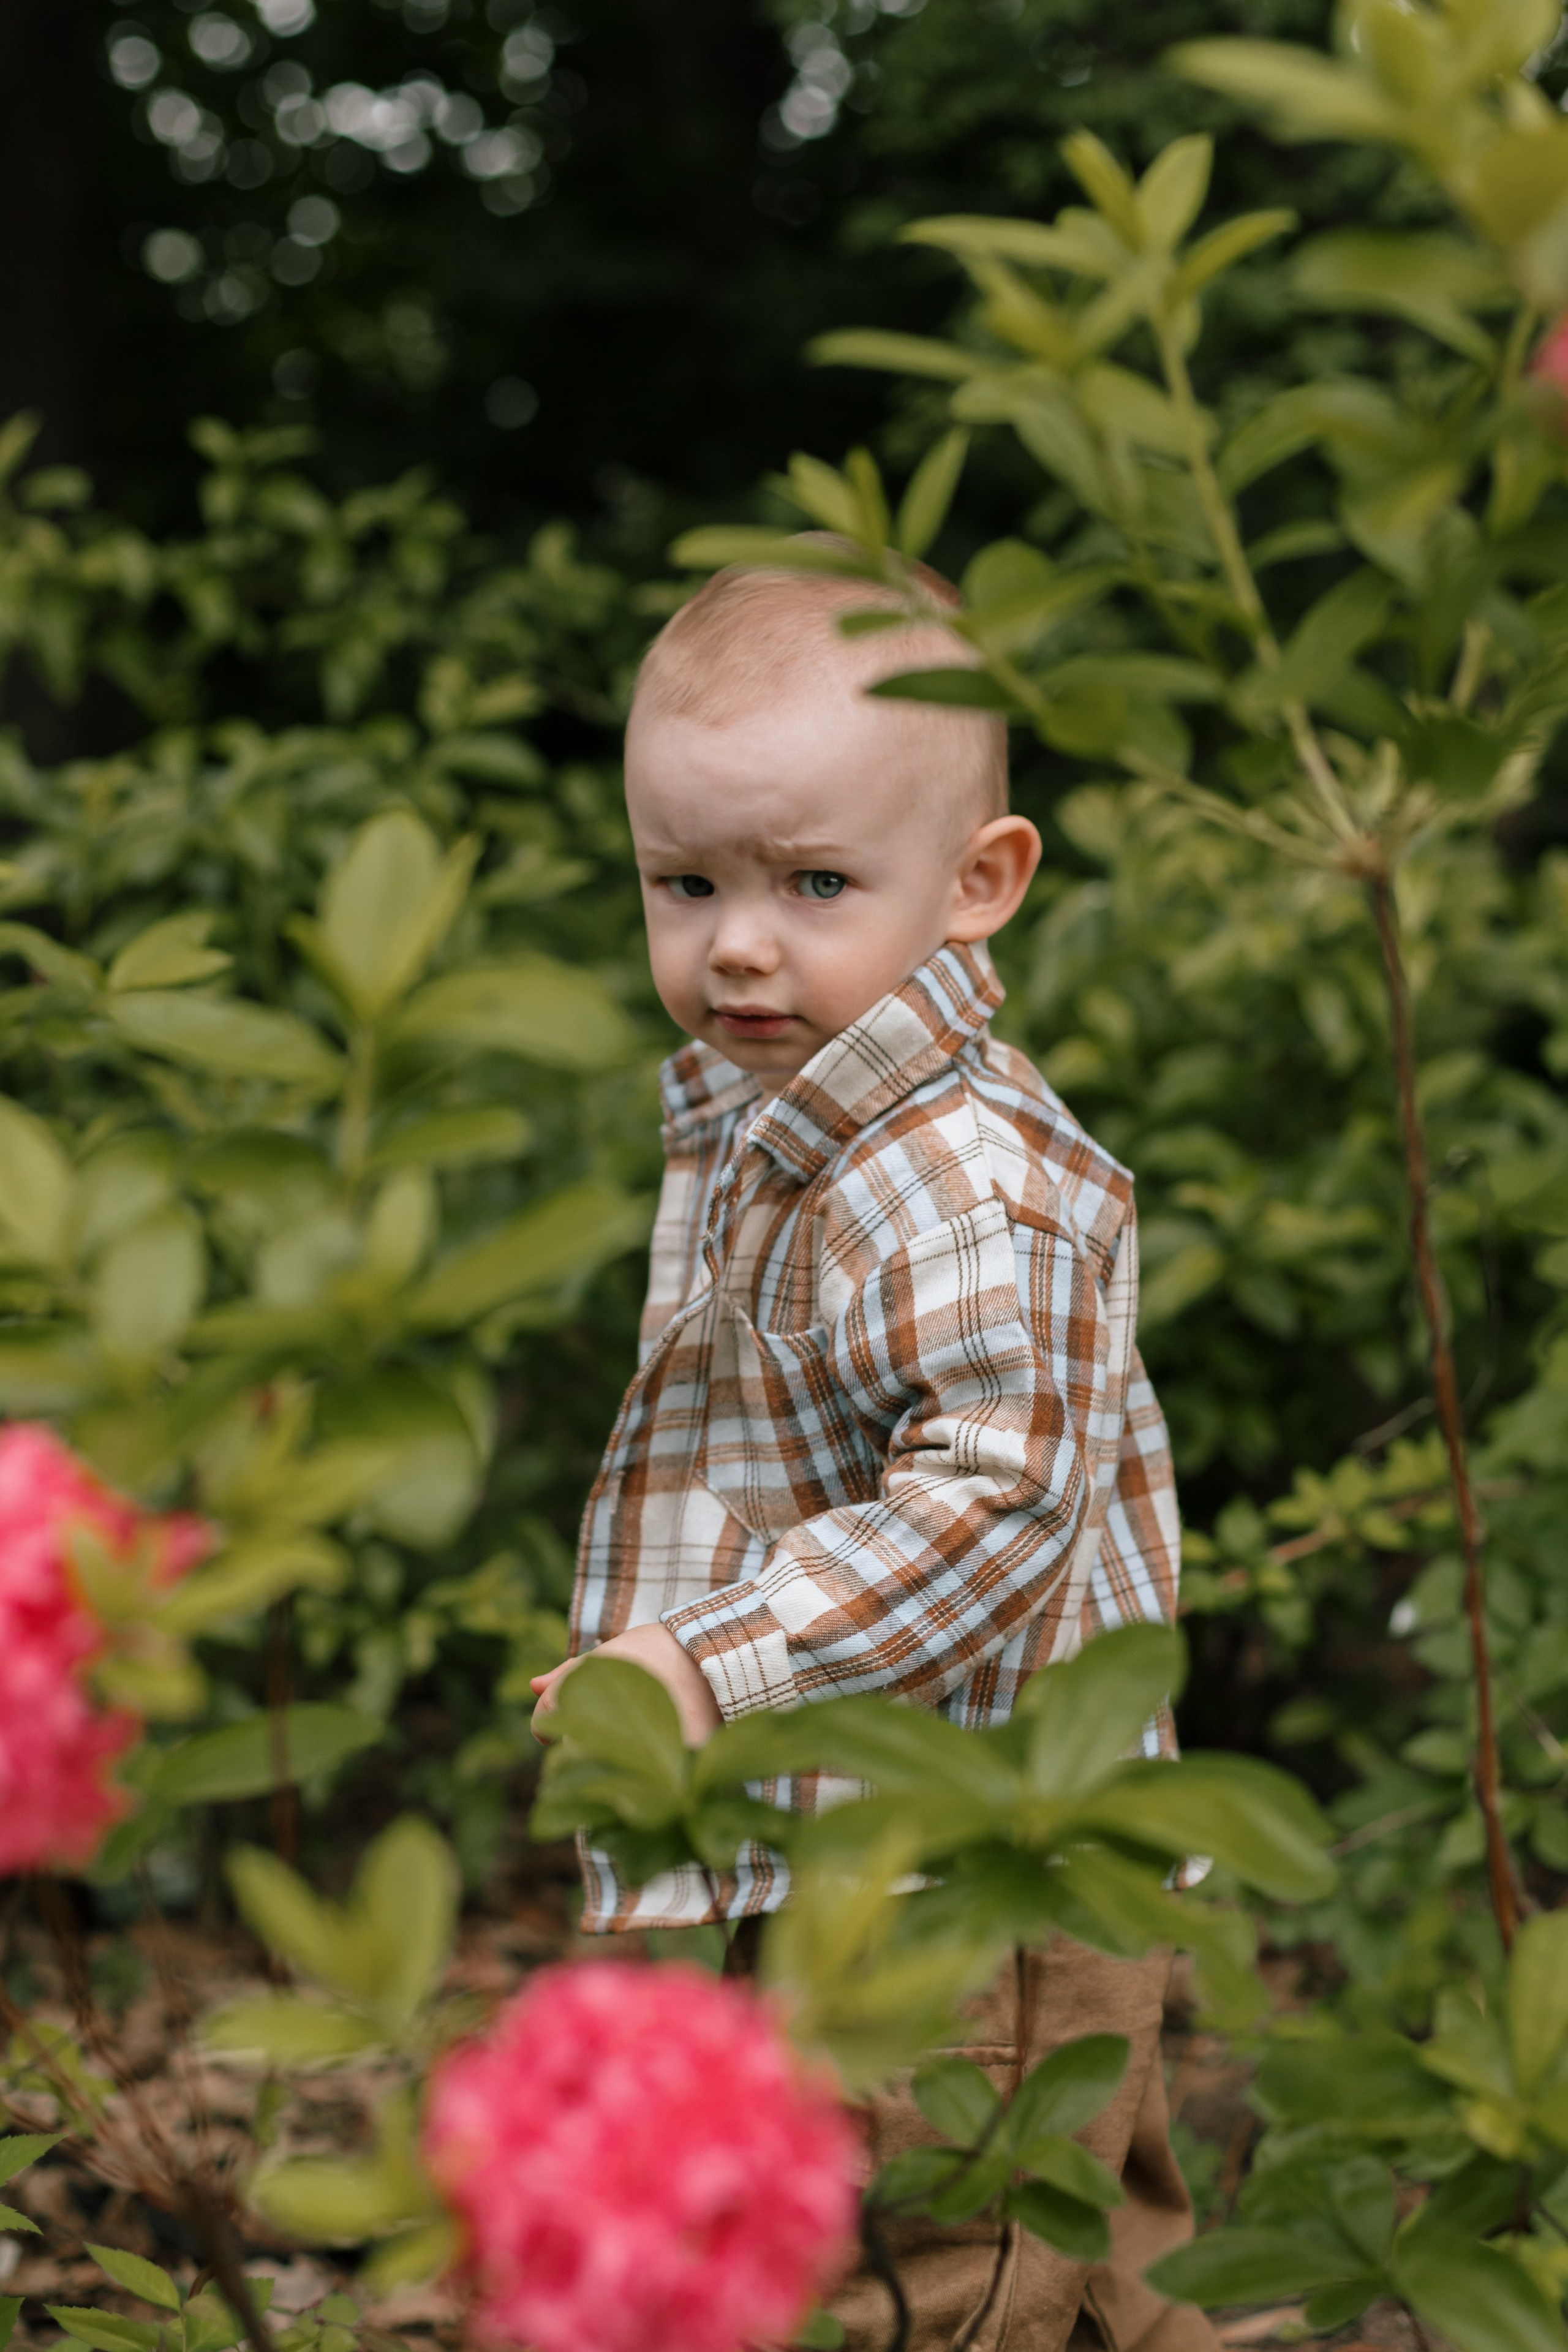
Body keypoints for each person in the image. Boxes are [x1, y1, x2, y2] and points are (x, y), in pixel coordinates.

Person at [530, 549, 1216, 2352]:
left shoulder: (959, 1176)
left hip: (972, 1851)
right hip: (884, 1827)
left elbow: (997, 1498)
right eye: (685, 883)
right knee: (1070, 2241)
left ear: (978, 885)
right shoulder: (794, 1112)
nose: (737, 940)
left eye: (814, 882)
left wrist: (711, 1658)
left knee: (932, 2250)